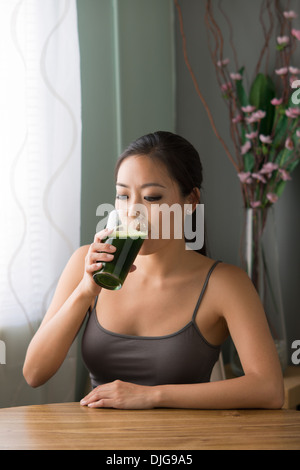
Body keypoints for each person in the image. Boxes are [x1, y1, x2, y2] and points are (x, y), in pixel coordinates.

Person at [23, 131, 284, 410]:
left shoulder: (225, 284)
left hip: (184, 445)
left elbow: (269, 389)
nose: (132, 211)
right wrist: (86, 289)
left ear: (190, 202)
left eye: (151, 197)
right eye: (122, 196)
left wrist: (152, 395)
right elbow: (34, 373)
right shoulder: (84, 264)